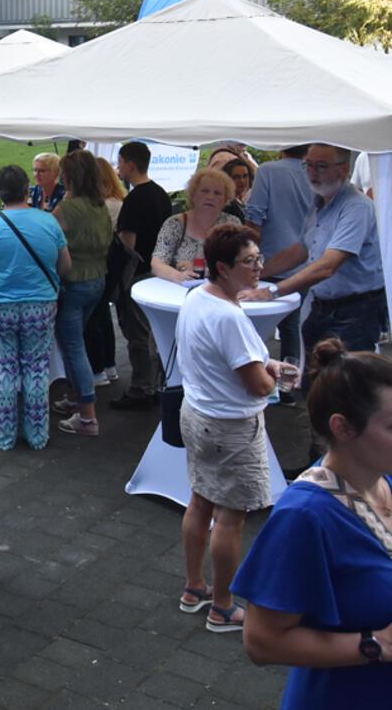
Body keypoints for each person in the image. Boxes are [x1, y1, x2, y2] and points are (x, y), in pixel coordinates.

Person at [231, 341, 392, 706]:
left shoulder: (384, 476)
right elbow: (261, 642)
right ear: (343, 428)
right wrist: (376, 645)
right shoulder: (304, 517)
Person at [175, 225, 287, 634]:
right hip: (230, 427)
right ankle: (222, 608)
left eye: (259, 258)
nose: (258, 267)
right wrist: (274, 377)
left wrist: (266, 364)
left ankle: (194, 587)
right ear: (223, 267)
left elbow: (229, 359)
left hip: (197, 414)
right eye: (249, 261)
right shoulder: (229, 316)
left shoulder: (196, 297)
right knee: (230, 518)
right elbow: (258, 386)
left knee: (199, 502)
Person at [245, 144, 386, 356]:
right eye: (308, 165)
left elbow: (328, 266)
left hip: (354, 313)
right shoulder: (320, 200)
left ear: (344, 169)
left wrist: (272, 291)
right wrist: (257, 273)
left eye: (321, 166)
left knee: (343, 375)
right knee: (313, 371)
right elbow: (301, 249)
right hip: (324, 307)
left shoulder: (356, 207)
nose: (312, 173)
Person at [0, 165, 70, 451]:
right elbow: (65, 265)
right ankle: (37, 435)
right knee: (37, 368)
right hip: (40, 304)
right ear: (28, 189)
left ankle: (4, 436)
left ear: (0, 192)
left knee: (3, 369)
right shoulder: (48, 222)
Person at [48, 150, 114, 437]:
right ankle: (77, 399)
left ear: (70, 176)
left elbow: (48, 239)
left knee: (73, 347)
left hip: (73, 283)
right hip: (97, 280)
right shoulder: (100, 205)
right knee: (76, 344)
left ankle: (87, 417)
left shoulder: (66, 209)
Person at [108, 142, 175, 410]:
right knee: (153, 331)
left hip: (137, 272)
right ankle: (155, 383)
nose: (118, 167)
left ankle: (141, 387)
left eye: (121, 162)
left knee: (137, 333)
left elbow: (128, 242)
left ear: (130, 164)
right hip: (157, 270)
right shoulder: (160, 194)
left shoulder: (135, 199)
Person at [245, 144, 314, 363]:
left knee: (253, 325)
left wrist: (247, 259)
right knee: (292, 326)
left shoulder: (268, 171)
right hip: (306, 264)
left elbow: (254, 220)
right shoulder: (314, 173)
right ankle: (289, 377)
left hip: (269, 263)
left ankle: (256, 373)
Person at [151, 169, 242, 284]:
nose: (210, 197)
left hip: (221, 288)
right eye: (204, 191)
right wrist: (180, 276)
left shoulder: (233, 224)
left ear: (225, 200)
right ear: (193, 195)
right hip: (179, 289)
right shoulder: (174, 224)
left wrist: (201, 268)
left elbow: (241, 261)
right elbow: (156, 264)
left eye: (217, 193)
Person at [85, 157, 128, 385]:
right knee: (102, 315)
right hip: (110, 265)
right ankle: (108, 365)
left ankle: (98, 369)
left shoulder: (106, 205)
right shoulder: (116, 201)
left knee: (94, 317)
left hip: (101, 265)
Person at [223, 157, 256, 222]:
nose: (242, 181)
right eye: (236, 177)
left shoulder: (241, 201)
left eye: (245, 176)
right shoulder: (227, 205)